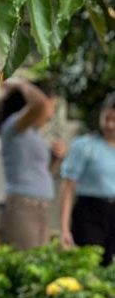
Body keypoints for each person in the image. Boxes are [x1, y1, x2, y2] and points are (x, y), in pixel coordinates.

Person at [0, 77, 66, 250]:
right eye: (51, 106)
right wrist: (18, 83)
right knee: (27, 263)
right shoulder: (12, 127)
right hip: (22, 208)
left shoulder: (32, 135)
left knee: (39, 265)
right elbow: (39, 104)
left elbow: (41, 173)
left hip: (40, 207)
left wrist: (55, 158)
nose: (51, 113)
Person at [59, 93, 115, 265]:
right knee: (90, 266)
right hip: (89, 214)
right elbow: (68, 187)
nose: (110, 125)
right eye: (107, 118)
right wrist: (64, 228)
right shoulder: (85, 146)